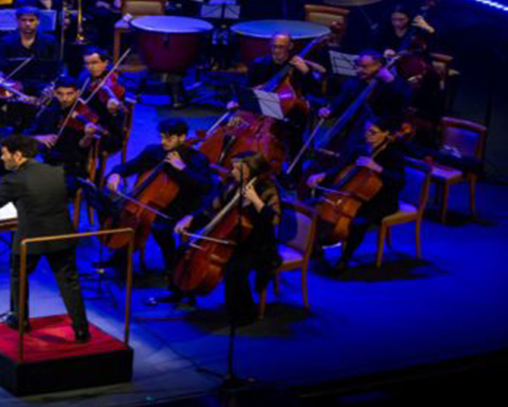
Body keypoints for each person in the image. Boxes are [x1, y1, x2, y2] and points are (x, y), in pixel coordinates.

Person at [0, 135, 90, 341]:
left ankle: (20, 320)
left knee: (19, 277)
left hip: (30, 239)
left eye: (4, 154)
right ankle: (81, 329)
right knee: (69, 282)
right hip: (62, 235)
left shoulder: (14, 180)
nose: (2, 159)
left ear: (18, 155)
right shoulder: (56, 171)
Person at [173, 152, 281, 325]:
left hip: (257, 244)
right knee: (185, 249)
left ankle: (245, 313)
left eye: (237, 168)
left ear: (249, 171)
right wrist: (191, 218)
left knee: (234, 269)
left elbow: (273, 220)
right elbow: (211, 209)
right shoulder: (232, 185)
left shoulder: (267, 189)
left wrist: (255, 201)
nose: (232, 171)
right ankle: (182, 293)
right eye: (233, 167)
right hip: (230, 239)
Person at [104, 118, 212, 281]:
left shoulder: (196, 159)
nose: (163, 142)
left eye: (169, 138)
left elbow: (205, 186)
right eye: (162, 137)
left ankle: (171, 266)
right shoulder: (154, 152)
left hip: (182, 206)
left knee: (159, 227)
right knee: (123, 214)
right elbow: (131, 165)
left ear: (182, 137)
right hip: (153, 203)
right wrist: (116, 173)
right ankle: (120, 258)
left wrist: (182, 169)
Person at [307, 117, 407, 270]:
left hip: (382, 199)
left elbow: (399, 181)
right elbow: (341, 169)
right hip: (353, 194)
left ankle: (344, 259)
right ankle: (316, 249)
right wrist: (322, 176)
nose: (368, 135)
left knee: (358, 222)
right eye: (366, 131)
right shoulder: (361, 148)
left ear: (386, 134)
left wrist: (378, 168)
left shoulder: (393, 154)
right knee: (311, 207)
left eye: (373, 132)